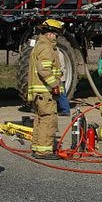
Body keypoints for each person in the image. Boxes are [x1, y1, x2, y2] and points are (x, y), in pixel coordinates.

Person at [26, 19, 65, 160]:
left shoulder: (39, 45)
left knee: (40, 120)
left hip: (39, 93)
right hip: (45, 92)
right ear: (50, 34)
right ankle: (44, 151)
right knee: (48, 120)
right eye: (56, 35)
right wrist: (55, 85)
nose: (56, 38)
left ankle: (37, 147)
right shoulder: (46, 48)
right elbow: (44, 70)